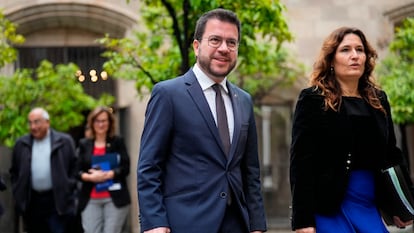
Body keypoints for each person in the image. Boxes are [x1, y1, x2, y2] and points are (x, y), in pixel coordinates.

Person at [137, 8, 267, 233]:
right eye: (215, 40)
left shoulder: (244, 100)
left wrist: (257, 224)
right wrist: (154, 222)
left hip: (237, 223)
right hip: (185, 222)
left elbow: (250, 171)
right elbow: (149, 166)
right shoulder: (168, 94)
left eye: (231, 42)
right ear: (196, 47)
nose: (224, 49)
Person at [289, 26, 414, 233]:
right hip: (328, 204)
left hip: (369, 201)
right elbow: (301, 162)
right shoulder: (312, 99)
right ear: (331, 59)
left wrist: (402, 205)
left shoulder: (378, 99)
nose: (354, 56)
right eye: (345, 50)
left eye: (360, 50)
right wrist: (302, 220)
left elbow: (391, 154)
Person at [9, 107, 77, 233]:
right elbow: (14, 171)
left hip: (57, 202)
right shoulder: (21, 144)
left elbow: (74, 167)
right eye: (30, 123)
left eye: (37, 122)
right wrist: (18, 191)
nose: (33, 126)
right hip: (32, 202)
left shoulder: (64, 141)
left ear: (47, 122)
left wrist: (68, 187)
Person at [77, 106, 131, 233]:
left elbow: (126, 167)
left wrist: (110, 174)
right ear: (92, 123)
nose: (101, 124)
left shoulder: (117, 142)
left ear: (110, 122)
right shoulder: (84, 144)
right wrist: (90, 177)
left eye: (104, 120)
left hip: (114, 198)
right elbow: (76, 171)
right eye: (97, 121)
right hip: (91, 199)